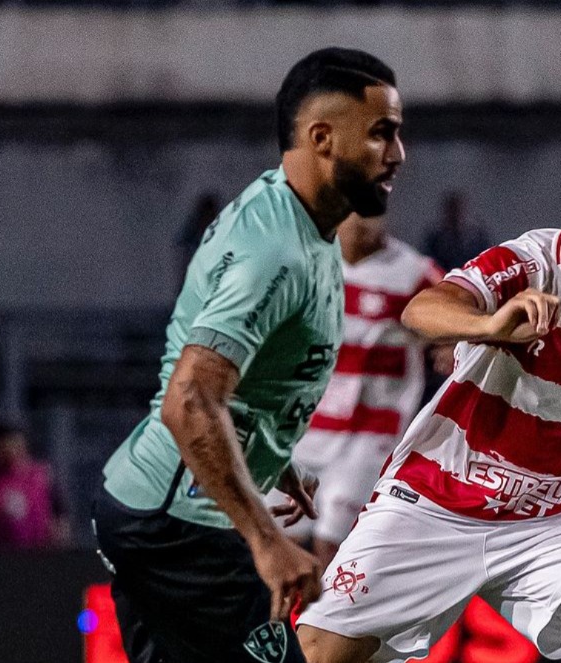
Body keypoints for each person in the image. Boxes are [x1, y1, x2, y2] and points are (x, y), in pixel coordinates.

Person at [297, 141, 561, 663]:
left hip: (549, 522)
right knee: (317, 654)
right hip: (435, 504)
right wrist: (488, 326)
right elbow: (421, 310)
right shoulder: (527, 266)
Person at [92, 47, 405, 663]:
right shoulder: (276, 252)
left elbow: (235, 382)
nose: (398, 154)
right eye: (381, 134)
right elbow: (190, 400)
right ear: (322, 138)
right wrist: (267, 542)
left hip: (156, 512)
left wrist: (267, 454)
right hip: (179, 527)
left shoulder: (299, 216)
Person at [286, 212, 445, 566]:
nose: (362, 219)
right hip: (305, 431)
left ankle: (329, 623)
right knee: (285, 548)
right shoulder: (306, 262)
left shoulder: (413, 273)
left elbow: (458, 309)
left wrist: (451, 344)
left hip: (368, 437)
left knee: (334, 548)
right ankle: (287, 624)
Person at [421, 191, 491, 271]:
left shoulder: (478, 241)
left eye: (458, 210)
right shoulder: (434, 241)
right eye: (453, 210)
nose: (456, 215)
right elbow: (429, 266)